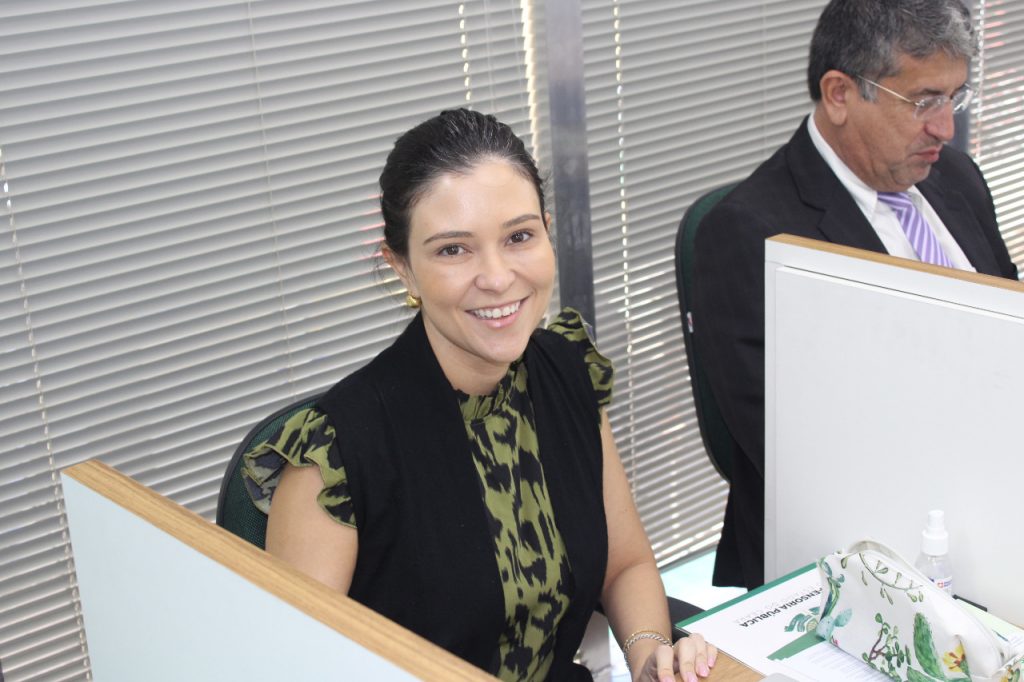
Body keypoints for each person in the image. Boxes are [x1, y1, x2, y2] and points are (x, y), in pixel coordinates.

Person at [243, 108, 717, 682]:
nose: (496, 277)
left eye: (519, 237)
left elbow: (625, 565)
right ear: (402, 269)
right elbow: (296, 669)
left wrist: (649, 656)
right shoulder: (336, 454)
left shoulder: (567, 370)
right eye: (453, 250)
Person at [692, 0, 1019, 591]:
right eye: (923, 101)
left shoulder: (957, 179)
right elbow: (805, 458)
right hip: (860, 561)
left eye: (954, 97)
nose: (945, 128)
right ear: (840, 94)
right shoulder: (750, 235)